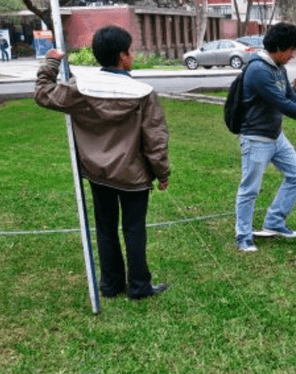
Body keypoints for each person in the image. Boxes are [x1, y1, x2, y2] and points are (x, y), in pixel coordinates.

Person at [34, 26, 170, 299]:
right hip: (133, 177)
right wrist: (162, 172)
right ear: (123, 56)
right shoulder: (143, 93)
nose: (132, 54)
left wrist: (51, 62)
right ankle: (139, 286)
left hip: (98, 173)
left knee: (106, 228)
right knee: (134, 230)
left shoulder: (80, 89)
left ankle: (111, 284)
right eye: (131, 50)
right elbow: (155, 139)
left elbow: (44, 93)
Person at [235, 22, 296, 252]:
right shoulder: (258, 70)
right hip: (256, 138)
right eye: (291, 50)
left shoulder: (279, 68)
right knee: (250, 188)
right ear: (278, 47)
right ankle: (243, 235)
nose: (293, 55)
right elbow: (282, 104)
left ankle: (274, 222)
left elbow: (290, 95)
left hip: (275, 136)